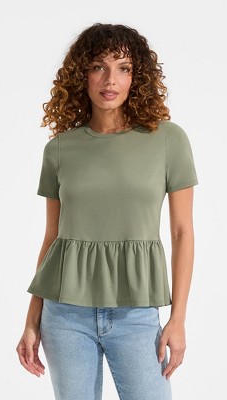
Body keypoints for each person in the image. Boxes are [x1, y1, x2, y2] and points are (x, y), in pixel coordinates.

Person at [16, 22, 199, 400]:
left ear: (138, 77)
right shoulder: (60, 149)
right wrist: (32, 319)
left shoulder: (168, 139)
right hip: (65, 315)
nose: (110, 79)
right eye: (98, 66)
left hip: (136, 315)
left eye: (123, 68)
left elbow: (182, 232)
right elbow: (52, 238)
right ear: (81, 74)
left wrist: (178, 319)